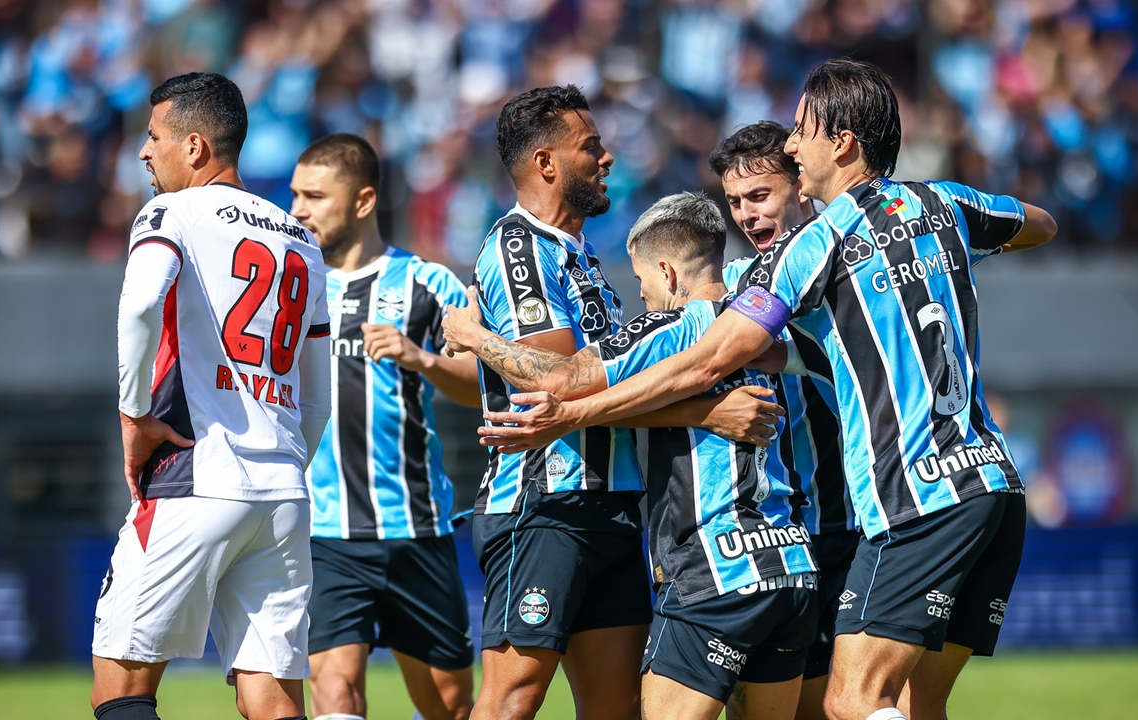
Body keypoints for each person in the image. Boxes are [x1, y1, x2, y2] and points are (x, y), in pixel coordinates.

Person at [473, 59, 1058, 720]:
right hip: (980, 489)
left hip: (902, 500)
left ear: (839, 146)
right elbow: (1039, 223)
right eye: (736, 202)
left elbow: (701, 362)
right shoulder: (942, 204)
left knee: (854, 702)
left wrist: (566, 407)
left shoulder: (801, 256)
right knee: (912, 703)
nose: (791, 147)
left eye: (800, 137)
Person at [465, 85, 782, 720]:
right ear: (545, 164)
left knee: (618, 709)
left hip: (612, 509)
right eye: (591, 147)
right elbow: (560, 381)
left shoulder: (583, 259)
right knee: (512, 700)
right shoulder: (519, 248)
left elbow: (615, 383)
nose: (607, 159)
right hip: (544, 504)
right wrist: (699, 411)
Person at [92, 72, 331, 720]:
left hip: (195, 476)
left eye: (153, 137)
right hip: (282, 493)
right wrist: (281, 465)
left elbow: (142, 303)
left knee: (121, 684)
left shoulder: (171, 212)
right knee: (274, 703)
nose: (144, 152)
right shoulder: (302, 240)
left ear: (194, 147)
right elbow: (318, 402)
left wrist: (134, 414)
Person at [287, 133, 479, 720]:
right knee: (335, 689)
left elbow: (481, 386)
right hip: (325, 530)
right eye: (296, 195)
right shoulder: (288, 287)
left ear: (364, 202)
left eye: (315, 196)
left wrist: (423, 359)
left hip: (415, 527)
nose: (297, 210)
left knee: (449, 704)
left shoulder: (429, 284)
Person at [710, 121, 860, 720]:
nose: (746, 215)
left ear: (800, 185)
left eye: (759, 196)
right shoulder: (738, 290)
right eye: (734, 202)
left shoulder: (840, 265)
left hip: (852, 527)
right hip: (778, 537)